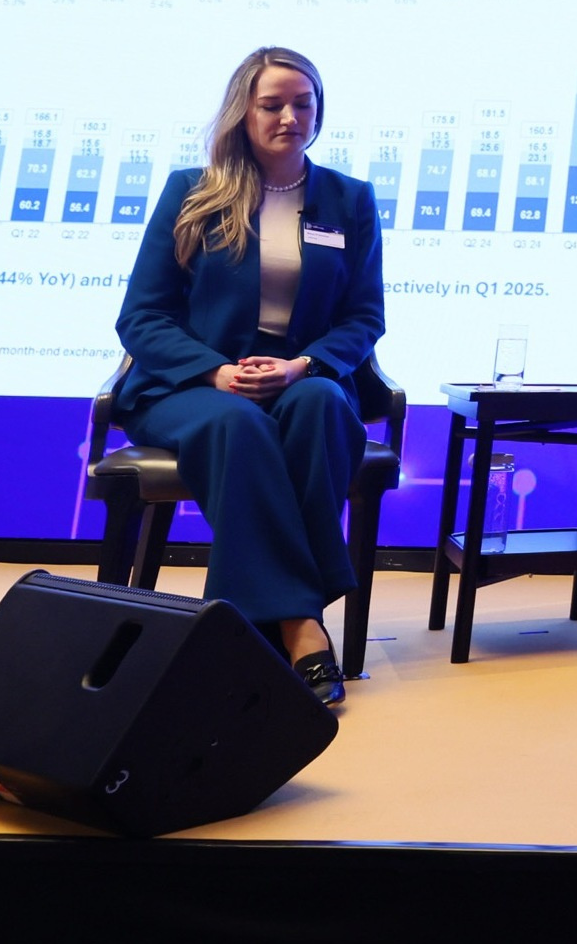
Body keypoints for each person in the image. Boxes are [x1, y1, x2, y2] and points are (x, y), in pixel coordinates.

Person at [116, 46, 385, 709]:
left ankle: (254, 626)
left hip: (298, 374)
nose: (290, 117)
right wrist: (216, 371)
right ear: (244, 111)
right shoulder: (193, 191)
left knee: (324, 405)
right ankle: (300, 625)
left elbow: (364, 316)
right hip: (191, 385)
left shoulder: (348, 199)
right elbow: (142, 317)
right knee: (238, 423)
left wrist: (302, 366)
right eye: (272, 105)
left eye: (303, 104)